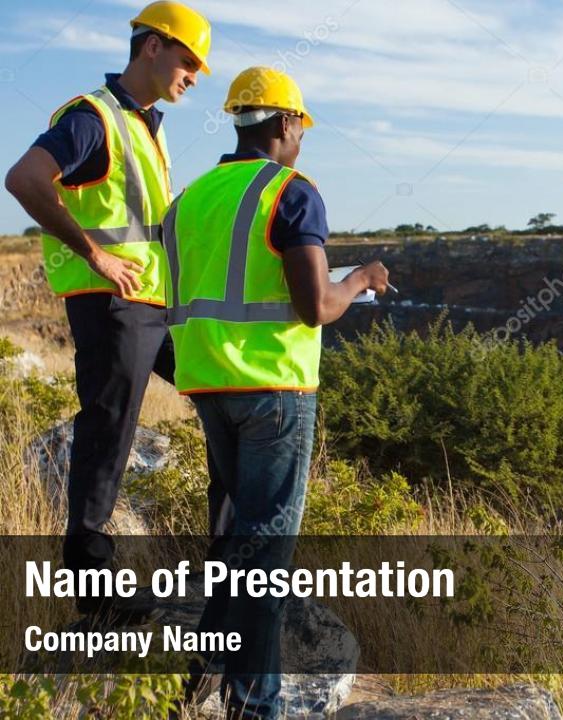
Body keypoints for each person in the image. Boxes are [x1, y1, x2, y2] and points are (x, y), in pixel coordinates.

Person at [162, 66, 388, 719]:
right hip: (274, 391)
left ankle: (202, 680)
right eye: (301, 128)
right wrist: (361, 279)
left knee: (237, 542)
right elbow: (315, 305)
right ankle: (256, 705)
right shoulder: (292, 192)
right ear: (287, 123)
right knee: (264, 552)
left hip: (209, 386)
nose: (301, 140)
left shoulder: (192, 199)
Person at [4, 1, 215, 621]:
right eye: (188, 59)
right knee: (108, 429)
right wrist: (94, 254)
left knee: (226, 393)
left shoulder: (147, 123)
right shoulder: (93, 118)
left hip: (155, 303)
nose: (195, 75)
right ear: (152, 47)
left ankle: (235, 560)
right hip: (113, 305)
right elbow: (23, 179)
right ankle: (94, 591)